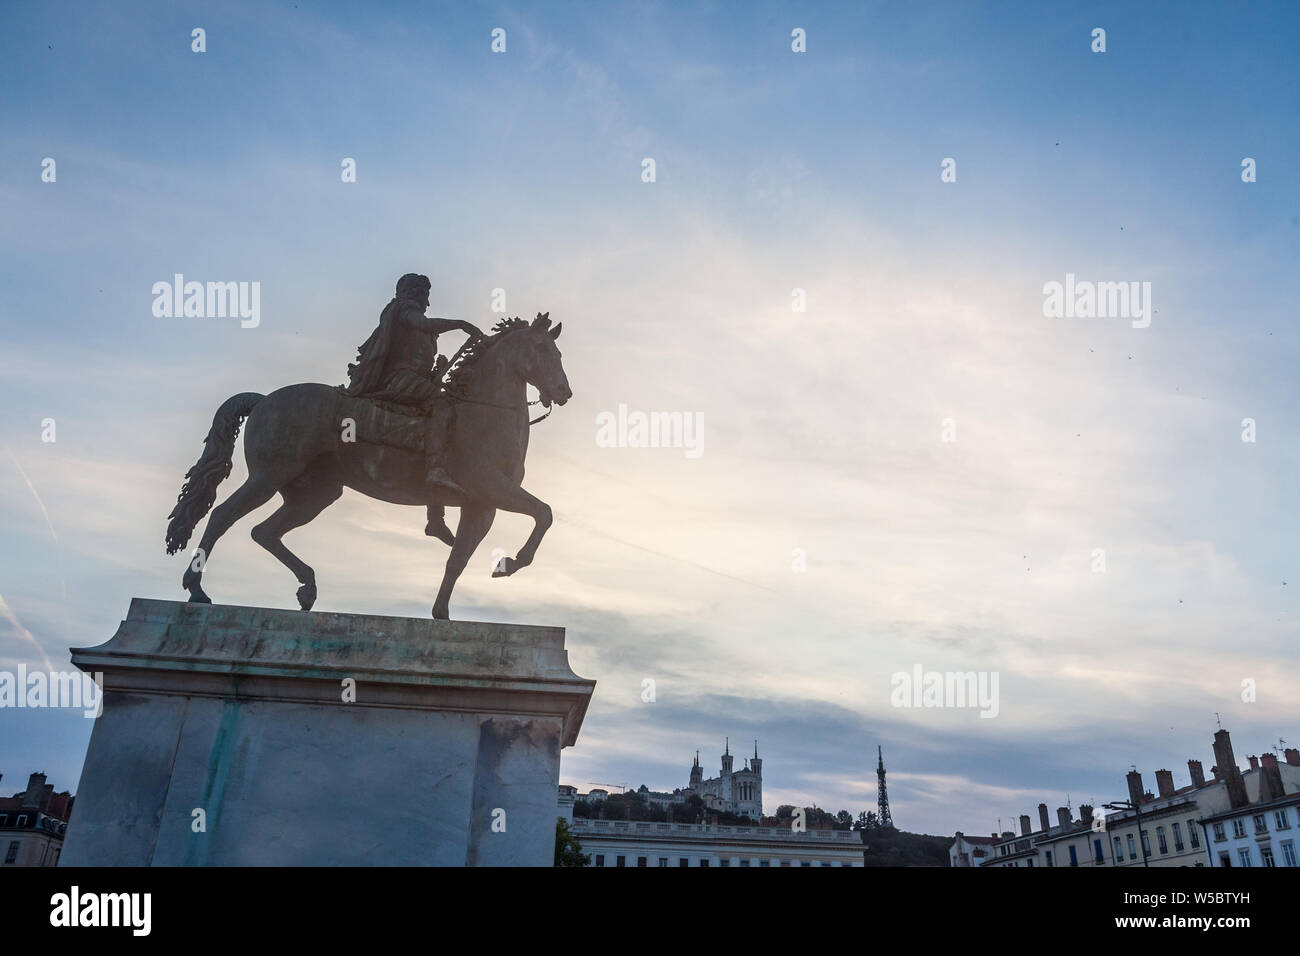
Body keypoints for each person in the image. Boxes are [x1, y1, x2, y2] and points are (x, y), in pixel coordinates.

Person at [344, 273, 481, 544]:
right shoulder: (403, 310)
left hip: (413, 380)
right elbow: (423, 324)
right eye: (424, 293)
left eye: (427, 294)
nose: (427, 299)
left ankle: (435, 518)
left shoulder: (418, 326)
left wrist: (436, 372)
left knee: (443, 412)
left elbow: (419, 358)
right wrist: (460, 324)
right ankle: (435, 470)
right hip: (399, 380)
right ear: (413, 293)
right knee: (443, 406)